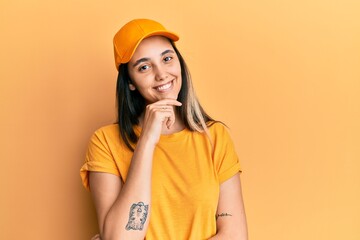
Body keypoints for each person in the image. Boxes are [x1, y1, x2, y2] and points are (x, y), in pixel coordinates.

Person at [80, 18, 248, 240]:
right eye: (144, 67)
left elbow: (235, 235)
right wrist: (147, 141)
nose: (161, 74)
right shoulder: (105, 142)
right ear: (130, 81)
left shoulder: (214, 137)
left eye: (167, 58)